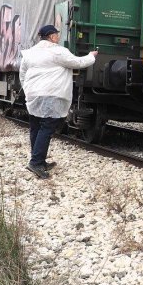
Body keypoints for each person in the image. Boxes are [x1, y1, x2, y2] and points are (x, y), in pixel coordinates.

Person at [19, 24, 97, 179]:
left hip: (33, 95)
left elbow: (22, 74)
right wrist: (91, 56)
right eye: (57, 35)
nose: (58, 37)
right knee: (47, 127)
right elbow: (78, 63)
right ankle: (35, 162)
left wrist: (28, 90)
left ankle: (39, 161)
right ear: (52, 36)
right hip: (50, 94)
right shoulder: (58, 51)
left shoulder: (30, 53)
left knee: (35, 126)